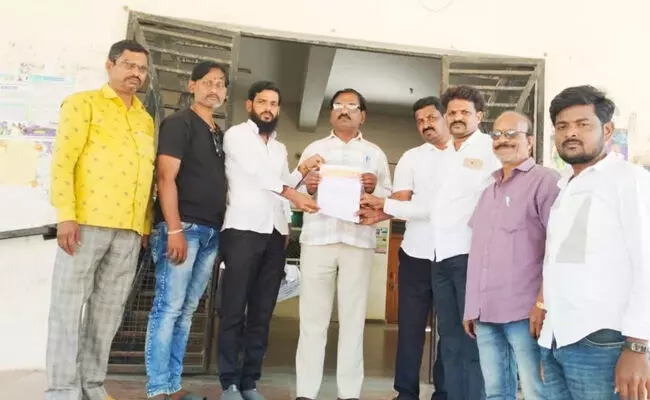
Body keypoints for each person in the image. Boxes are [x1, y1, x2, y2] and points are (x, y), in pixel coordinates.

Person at [359, 85, 500, 400]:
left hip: (466, 255)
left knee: (465, 335)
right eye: (453, 113)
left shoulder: (489, 149)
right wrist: (384, 207)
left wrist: (383, 206)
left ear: (478, 116)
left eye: (462, 112)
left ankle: (454, 393)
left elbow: (453, 206)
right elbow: (425, 205)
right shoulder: (426, 157)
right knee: (435, 333)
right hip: (427, 253)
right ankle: (412, 393)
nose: (455, 118)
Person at [46, 39, 155, 400]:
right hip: (85, 224)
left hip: (128, 231)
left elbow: (146, 174)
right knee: (67, 309)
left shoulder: (144, 118)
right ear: (110, 65)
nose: (136, 73)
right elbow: (63, 161)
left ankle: (92, 385)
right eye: (129, 65)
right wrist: (66, 216)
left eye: (142, 68)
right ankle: (62, 390)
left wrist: (144, 224)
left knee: (107, 315)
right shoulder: (83, 104)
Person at [539, 85, 650, 399]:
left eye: (583, 124)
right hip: (559, 339)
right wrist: (548, 334)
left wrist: (638, 346)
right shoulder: (566, 186)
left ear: (608, 130)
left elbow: (647, 263)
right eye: (562, 126)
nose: (571, 133)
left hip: (605, 342)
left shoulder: (629, 180)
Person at [218, 81, 323, 400]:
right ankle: (229, 383)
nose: (268, 109)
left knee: (262, 312)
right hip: (242, 230)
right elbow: (257, 175)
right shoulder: (236, 135)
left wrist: (302, 171)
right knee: (234, 308)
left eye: (274, 104)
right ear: (250, 105)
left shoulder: (278, 148)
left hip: (274, 233)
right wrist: (293, 194)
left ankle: (249, 382)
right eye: (262, 102)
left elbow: (281, 183)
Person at [294, 88, 392, 400]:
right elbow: (293, 192)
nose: (344, 110)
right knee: (312, 320)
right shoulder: (315, 148)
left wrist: (375, 189)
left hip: (357, 240)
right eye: (338, 105)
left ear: (362, 115)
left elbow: (390, 197)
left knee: (353, 321)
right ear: (331, 114)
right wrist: (309, 186)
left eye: (351, 105)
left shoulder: (375, 153)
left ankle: (349, 393)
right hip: (318, 239)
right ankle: (305, 393)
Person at [144, 61, 229, 400]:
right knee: (168, 308)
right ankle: (157, 388)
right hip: (184, 228)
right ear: (192, 86)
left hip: (210, 232)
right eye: (207, 82)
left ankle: (173, 385)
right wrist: (174, 229)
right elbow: (166, 179)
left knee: (187, 310)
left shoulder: (218, 134)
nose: (213, 89)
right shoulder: (179, 124)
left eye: (220, 84)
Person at [462, 111, 560, 400]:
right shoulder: (488, 191)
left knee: (536, 391)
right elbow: (479, 252)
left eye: (511, 134)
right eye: (496, 135)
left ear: (529, 141)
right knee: (495, 392)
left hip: (525, 313)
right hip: (486, 313)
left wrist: (543, 302)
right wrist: (471, 307)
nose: (502, 140)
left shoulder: (546, 181)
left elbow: (557, 247)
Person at [391, 96, 448, 400]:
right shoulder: (411, 157)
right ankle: (405, 393)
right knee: (410, 329)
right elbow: (400, 206)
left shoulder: (465, 156)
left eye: (431, 118)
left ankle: (445, 392)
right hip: (415, 254)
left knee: (450, 331)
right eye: (420, 121)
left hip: (454, 256)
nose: (426, 125)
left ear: (446, 117)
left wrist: (423, 206)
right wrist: (436, 207)